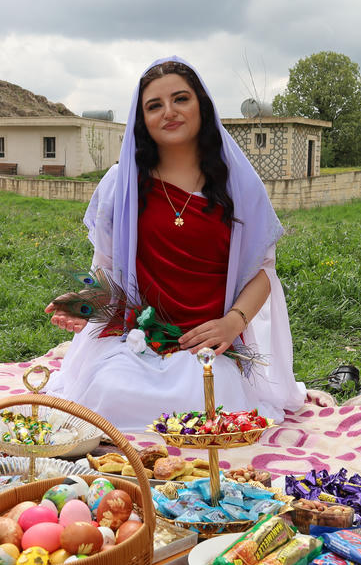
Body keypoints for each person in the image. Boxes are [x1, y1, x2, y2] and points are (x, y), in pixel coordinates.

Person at [44, 56, 305, 432]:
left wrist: (233, 322)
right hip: (137, 342)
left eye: (180, 99)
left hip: (208, 344)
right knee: (109, 392)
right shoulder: (121, 185)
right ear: (142, 120)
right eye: (155, 105)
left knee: (211, 407)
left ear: (201, 105)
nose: (169, 112)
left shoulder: (242, 188)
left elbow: (262, 273)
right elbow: (106, 270)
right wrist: (86, 303)